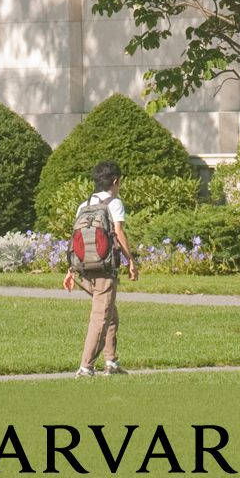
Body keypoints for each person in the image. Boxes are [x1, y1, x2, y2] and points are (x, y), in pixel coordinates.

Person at [63, 159, 137, 376]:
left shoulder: (84, 206)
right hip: (104, 269)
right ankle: (85, 367)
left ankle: (111, 362)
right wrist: (131, 260)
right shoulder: (114, 203)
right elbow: (119, 233)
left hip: (84, 270)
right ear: (115, 181)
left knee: (110, 313)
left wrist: (70, 270)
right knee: (100, 316)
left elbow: (76, 239)